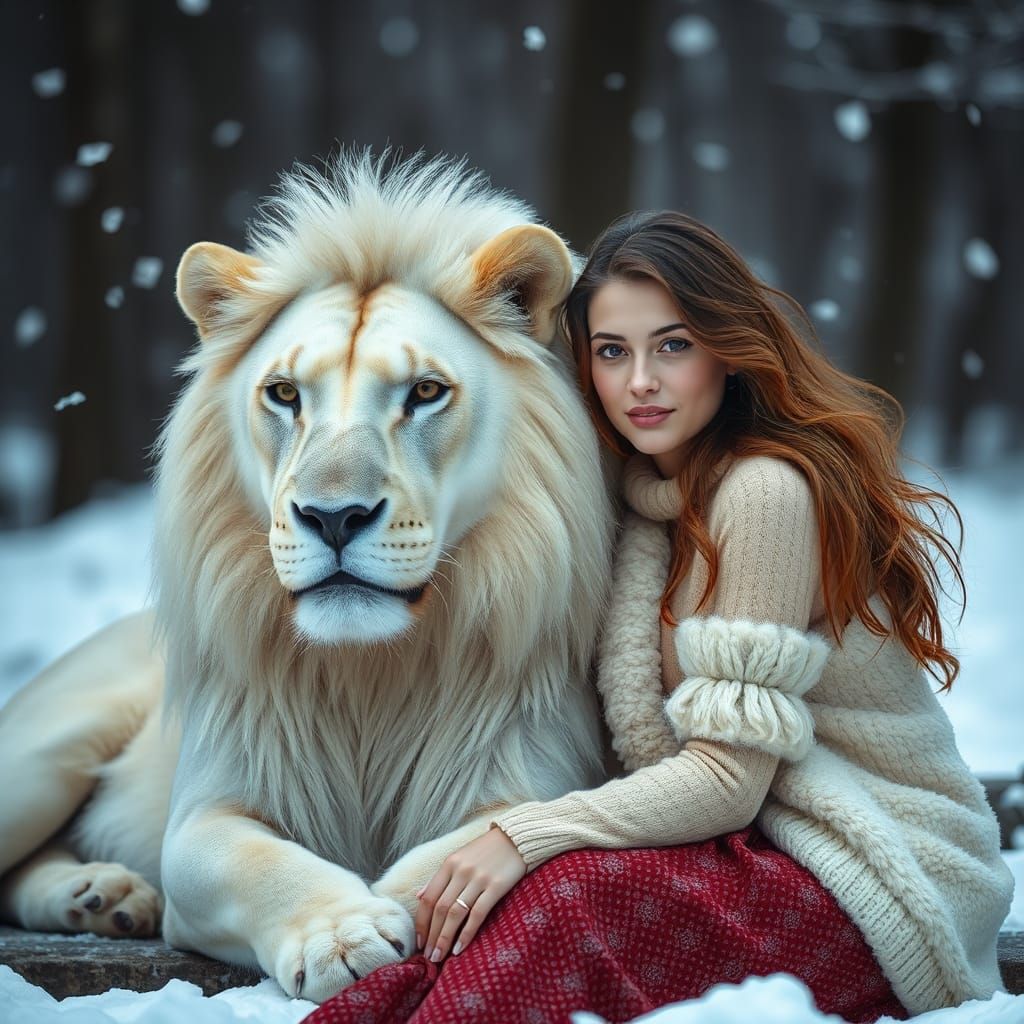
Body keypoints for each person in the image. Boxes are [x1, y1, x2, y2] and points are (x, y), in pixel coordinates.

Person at [305, 212, 1012, 1024]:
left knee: (562, 894)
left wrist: (523, 833)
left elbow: (730, 779)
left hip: (878, 871)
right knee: (481, 915)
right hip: (759, 850)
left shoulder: (764, 493)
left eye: (672, 346)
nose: (640, 380)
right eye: (612, 352)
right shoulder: (651, 505)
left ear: (728, 350)